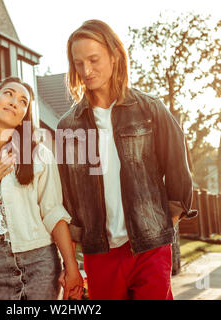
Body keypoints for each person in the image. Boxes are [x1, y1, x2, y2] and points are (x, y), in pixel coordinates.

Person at [56, 20, 196, 300]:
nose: (86, 71)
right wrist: (70, 262)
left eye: (94, 60)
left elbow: (178, 170)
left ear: (114, 55)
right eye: (78, 63)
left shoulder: (151, 110)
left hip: (150, 247)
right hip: (100, 252)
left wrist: (166, 221)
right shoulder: (67, 126)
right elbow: (67, 199)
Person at [0, 77, 83, 300]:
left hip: (41, 261)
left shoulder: (39, 156)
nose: (14, 102)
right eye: (8, 94)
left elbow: (54, 212)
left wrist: (71, 266)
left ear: (23, 118)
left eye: (22, 101)